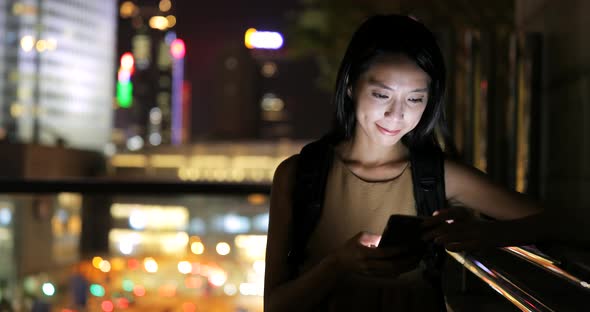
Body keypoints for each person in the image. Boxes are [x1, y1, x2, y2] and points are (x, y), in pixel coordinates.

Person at [264, 14, 548, 312]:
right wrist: (338, 264)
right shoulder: (299, 175)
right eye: (381, 94)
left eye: (414, 99)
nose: (396, 114)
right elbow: (275, 306)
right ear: (350, 85)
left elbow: (553, 222)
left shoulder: (438, 175)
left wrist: (483, 233)